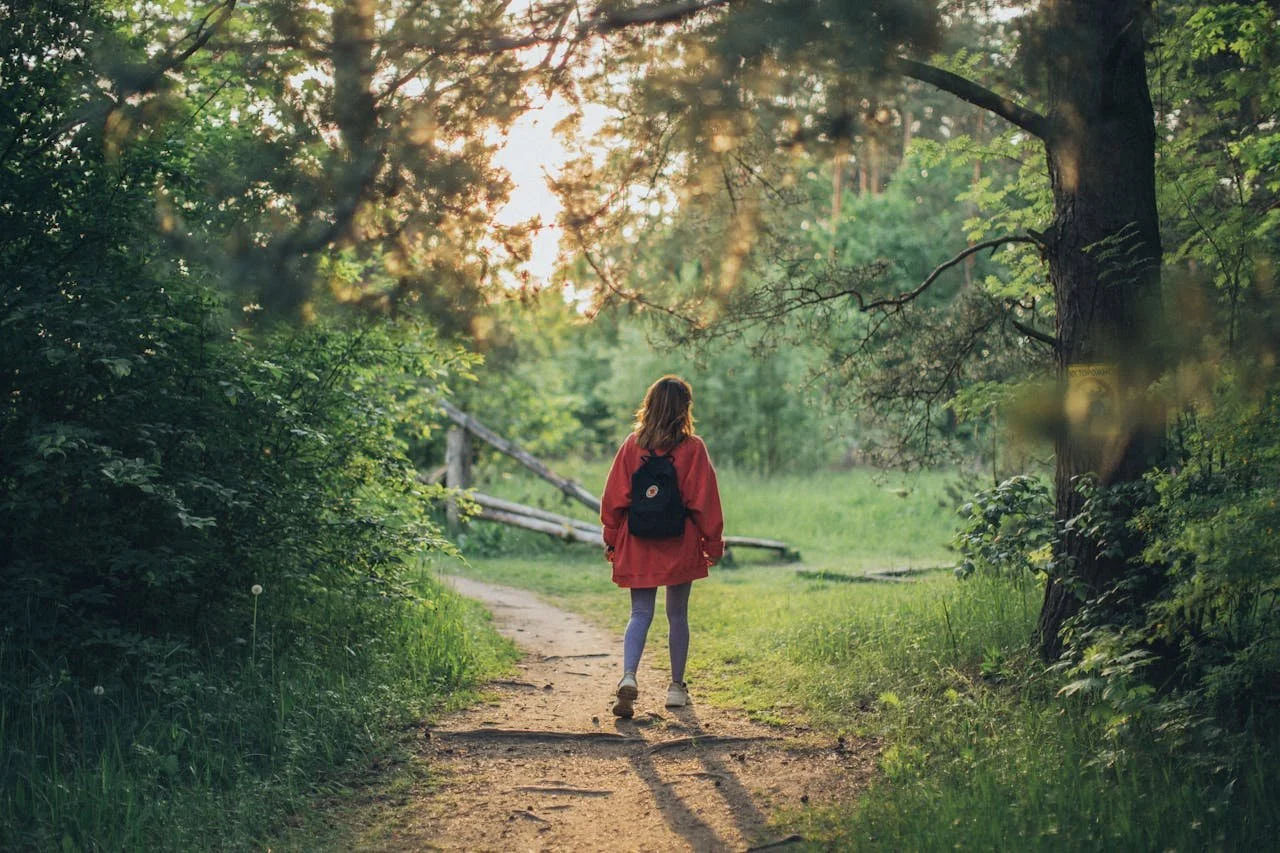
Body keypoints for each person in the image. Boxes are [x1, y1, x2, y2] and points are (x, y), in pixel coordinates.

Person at [600, 375, 724, 718]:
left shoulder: (632, 445)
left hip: (637, 541)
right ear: (684, 409)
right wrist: (712, 544)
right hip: (679, 540)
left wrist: (611, 538)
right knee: (677, 614)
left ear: (649, 405)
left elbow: (613, 498)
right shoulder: (693, 448)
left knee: (639, 613)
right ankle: (675, 687)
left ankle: (629, 676)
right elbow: (705, 501)